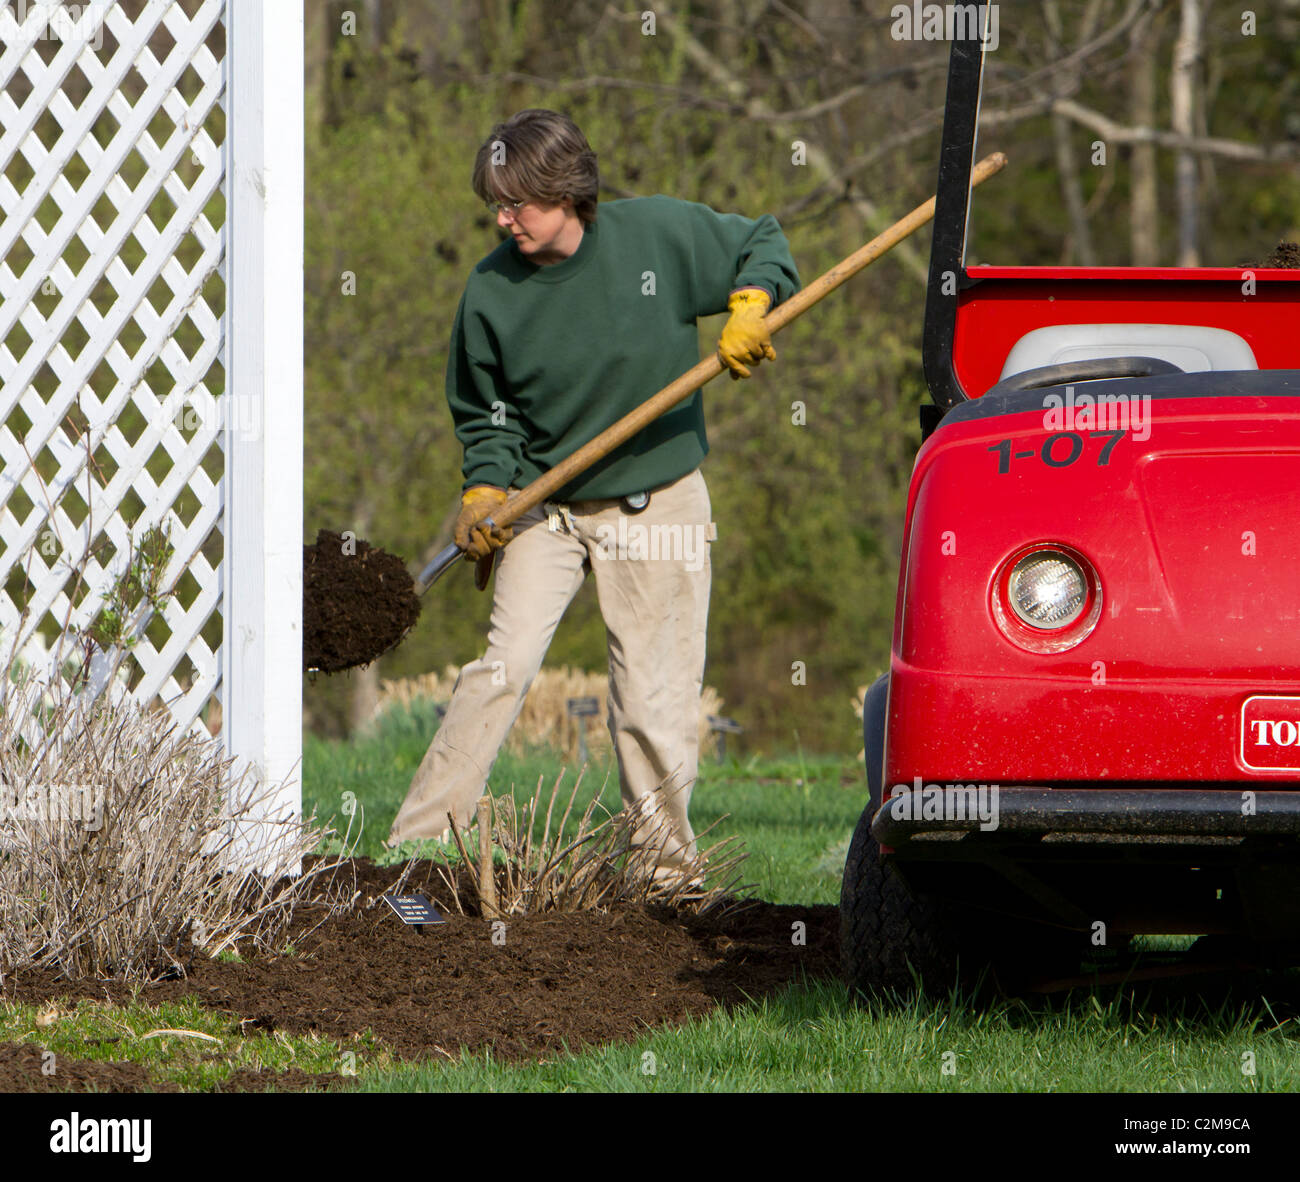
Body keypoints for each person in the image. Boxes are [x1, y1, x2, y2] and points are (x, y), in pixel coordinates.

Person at [385, 109, 800, 883]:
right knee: (500, 668)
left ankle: (662, 873)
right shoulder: (491, 292)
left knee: (651, 696)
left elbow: (761, 241)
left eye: (518, 204)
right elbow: (486, 411)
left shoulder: (657, 238)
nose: (504, 220)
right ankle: (419, 843)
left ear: (569, 192)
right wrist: (484, 490)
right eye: (495, 206)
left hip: (658, 504)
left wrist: (750, 303)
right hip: (547, 506)